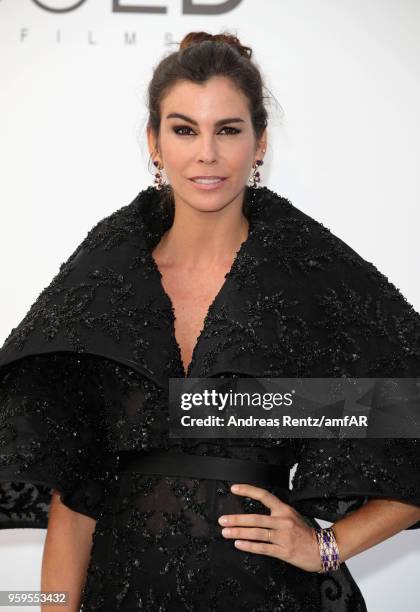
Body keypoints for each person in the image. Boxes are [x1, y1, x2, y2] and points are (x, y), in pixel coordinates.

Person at [0, 30, 420, 612]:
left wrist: (328, 546)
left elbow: (405, 418)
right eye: (184, 129)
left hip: (268, 596)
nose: (207, 154)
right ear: (154, 141)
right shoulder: (103, 282)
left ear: (260, 142)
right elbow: (74, 500)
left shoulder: (309, 282)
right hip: (122, 593)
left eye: (228, 129)